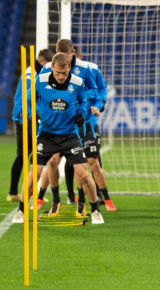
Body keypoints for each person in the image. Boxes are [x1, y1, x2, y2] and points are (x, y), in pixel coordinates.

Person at [11, 52, 104, 225]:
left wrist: (81, 113)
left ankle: (96, 210)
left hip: (70, 135)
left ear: (69, 68)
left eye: (64, 73)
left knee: (84, 174)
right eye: (58, 73)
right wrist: (33, 115)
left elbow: (83, 101)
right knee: (34, 174)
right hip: (47, 135)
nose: (61, 76)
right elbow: (27, 100)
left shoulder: (77, 82)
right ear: (52, 67)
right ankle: (21, 210)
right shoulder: (41, 80)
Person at [51, 39, 116, 211]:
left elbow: (99, 89)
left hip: (86, 121)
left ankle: (103, 198)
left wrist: (98, 105)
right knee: (59, 160)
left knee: (91, 161)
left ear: (74, 53)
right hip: (62, 123)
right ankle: (64, 196)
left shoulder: (89, 68)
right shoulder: (53, 70)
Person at [7, 48, 54, 202]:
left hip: (30, 116)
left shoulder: (34, 72)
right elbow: (28, 97)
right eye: (47, 64)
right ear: (41, 61)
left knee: (28, 153)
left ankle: (17, 192)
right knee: (31, 152)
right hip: (25, 117)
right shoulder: (32, 73)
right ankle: (20, 192)